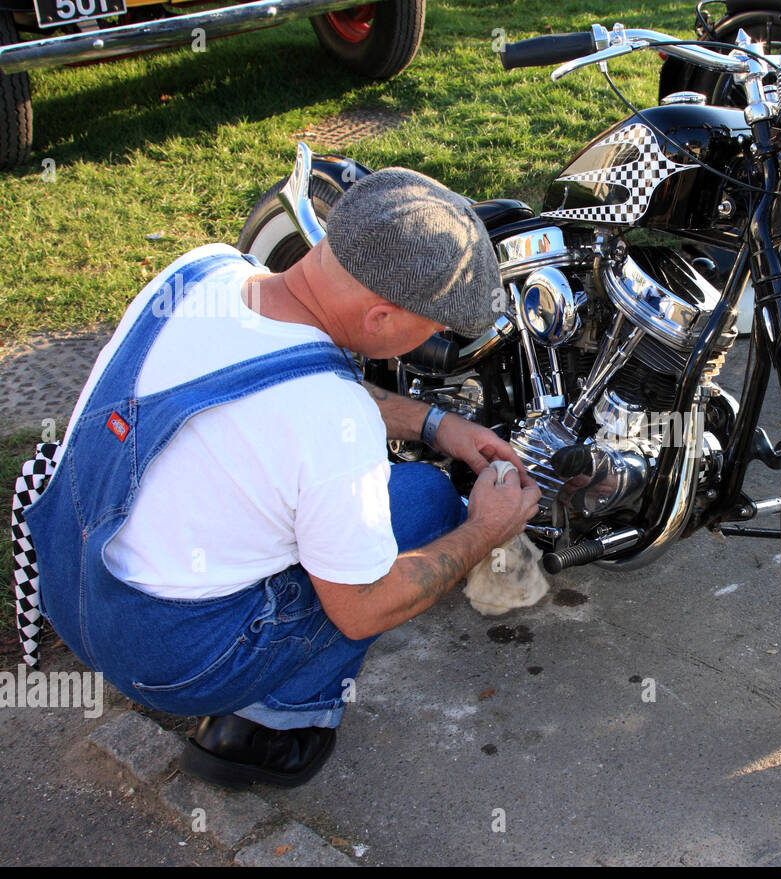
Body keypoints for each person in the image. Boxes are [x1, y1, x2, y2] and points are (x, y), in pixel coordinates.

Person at [24, 168, 541, 790]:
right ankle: (272, 726)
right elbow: (362, 608)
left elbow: (273, 386)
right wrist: (486, 530)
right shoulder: (330, 418)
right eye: (432, 328)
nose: (434, 341)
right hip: (167, 662)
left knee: (379, 500)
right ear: (381, 318)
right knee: (428, 501)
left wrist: (435, 425)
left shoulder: (204, 271)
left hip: (70, 579)